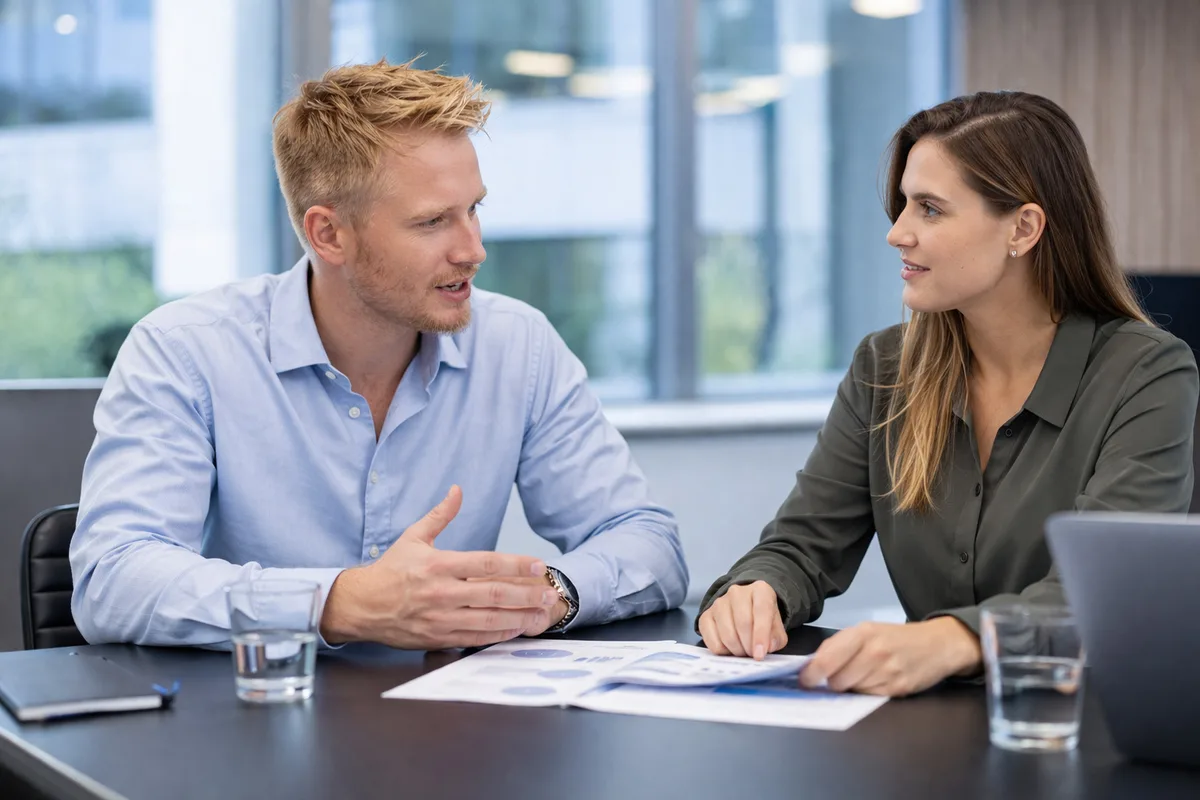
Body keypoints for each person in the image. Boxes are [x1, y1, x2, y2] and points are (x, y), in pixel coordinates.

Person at [70, 59, 688, 650]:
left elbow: (647, 543)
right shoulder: (185, 351)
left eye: (473, 209)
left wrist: (545, 595)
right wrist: (340, 602)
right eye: (432, 222)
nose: (473, 250)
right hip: (261, 708)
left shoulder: (518, 345)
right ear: (328, 234)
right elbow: (113, 578)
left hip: (454, 711)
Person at [697, 90, 1198, 696]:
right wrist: (757, 592)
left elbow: (1106, 589)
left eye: (930, 209)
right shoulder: (884, 367)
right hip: (927, 730)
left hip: (1081, 722)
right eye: (903, 205)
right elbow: (801, 545)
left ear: (1023, 228)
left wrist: (955, 640)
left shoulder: (1146, 373)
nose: (897, 233)